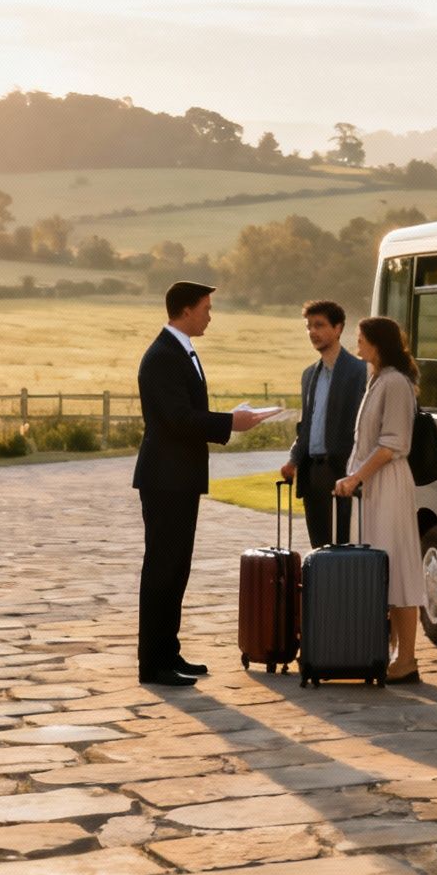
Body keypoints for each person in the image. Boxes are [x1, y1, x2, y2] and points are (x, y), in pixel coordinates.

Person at [134, 281, 268, 688]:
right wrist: (230, 423)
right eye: (206, 308)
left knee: (177, 568)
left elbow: (187, 413)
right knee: (162, 567)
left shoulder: (181, 351)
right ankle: (153, 663)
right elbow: (177, 418)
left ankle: (168, 653)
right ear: (186, 310)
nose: (211, 315)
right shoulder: (162, 356)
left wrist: (230, 417)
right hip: (165, 479)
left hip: (181, 478)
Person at [332, 316, 427, 683]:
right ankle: (380, 651)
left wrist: (356, 476)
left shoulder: (396, 384)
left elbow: (393, 444)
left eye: (360, 339)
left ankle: (407, 658)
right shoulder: (377, 380)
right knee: (376, 568)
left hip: (387, 487)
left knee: (398, 568)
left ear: (377, 343)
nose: (356, 345)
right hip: (371, 489)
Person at [279, 299, 367, 549]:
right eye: (308, 326)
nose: (313, 332)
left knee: (344, 549)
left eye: (319, 325)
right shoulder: (309, 375)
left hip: (344, 472)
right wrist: (293, 460)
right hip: (312, 474)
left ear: (338, 328)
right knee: (319, 550)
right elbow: (306, 425)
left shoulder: (359, 372)